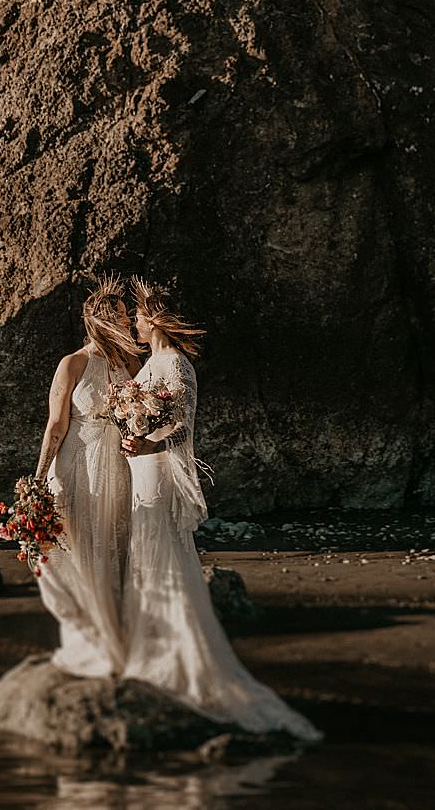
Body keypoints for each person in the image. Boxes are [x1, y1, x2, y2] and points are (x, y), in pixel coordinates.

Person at [118, 276, 321, 740]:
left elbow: (181, 428)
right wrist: (134, 433)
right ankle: (154, 655)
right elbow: (153, 420)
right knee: (148, 556)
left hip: (157, 473)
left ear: (155, 318)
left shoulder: (176, 365)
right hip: (141, 470)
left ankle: (177, 665)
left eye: (138, 313)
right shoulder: (153, 363)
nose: (133, 320)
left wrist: (145, 445)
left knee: (162, 555)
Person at [28, 275, 142, 676]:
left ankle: (118, 638)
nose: (129, 323)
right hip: (77, 462)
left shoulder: (132, 364)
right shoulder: (73, 363)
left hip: (119, 462)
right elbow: (56, 425)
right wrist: (38, 479)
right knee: (75, 546)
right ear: (103, 320)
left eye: (129, 317)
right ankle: (89, 637)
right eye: (123, 317)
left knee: (116, 543)